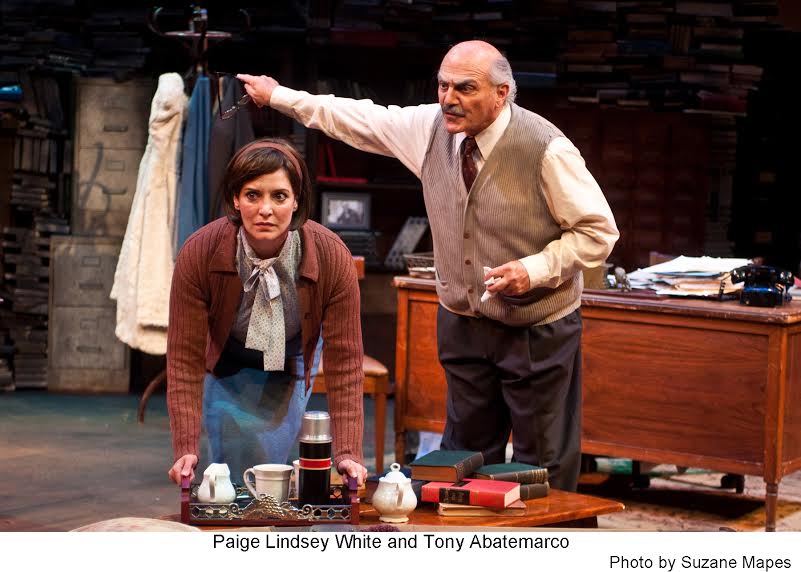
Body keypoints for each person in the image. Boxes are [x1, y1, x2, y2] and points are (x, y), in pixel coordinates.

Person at [238, 40, 619, 491]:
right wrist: (279, 96)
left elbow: (598, 232)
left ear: (502, 93)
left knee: (542, 466)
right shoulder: (431, 128)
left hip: (536, 326)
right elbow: (359, 119)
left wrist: (533, 270)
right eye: (442, 85)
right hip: (464, 322)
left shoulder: (546, 148)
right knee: (462, 461)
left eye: (465, 88)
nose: (448, 99)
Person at [166, 138, 368, 487]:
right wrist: (185, 448)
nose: (265, 209)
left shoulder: (331, 255)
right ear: (235, 199)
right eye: (252, 195)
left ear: (297, 200)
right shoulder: (200, 252)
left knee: (270, 465)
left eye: (279, 196)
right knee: (226, 469)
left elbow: (345, 361)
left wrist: (348, 452)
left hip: (291, 355)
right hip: (228, 355)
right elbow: (184, 356)